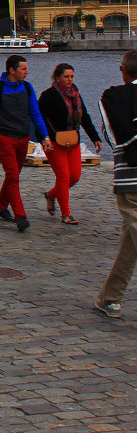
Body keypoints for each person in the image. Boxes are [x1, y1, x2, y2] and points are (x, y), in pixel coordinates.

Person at [0, 54, 51, 232]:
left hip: (23, 138)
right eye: (24, 69)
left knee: (14, 175)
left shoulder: (27, 87)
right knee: (13, 176)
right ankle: (20, 216)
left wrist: (45, 136)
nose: (27, 72)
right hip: (6, 139)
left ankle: (1, 206)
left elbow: (35, 113)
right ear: (12, 70)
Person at [92, 49, 137, 318]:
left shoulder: (114, 98)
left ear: (124, 70)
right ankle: (110, 298)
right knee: (130, 243)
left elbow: (111, 137)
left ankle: (110, 299)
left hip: (130, 178)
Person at [37, 63, 102, 225]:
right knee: (63, 176)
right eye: (66, 76)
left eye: (72, 76)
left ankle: (51, 194)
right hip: (53, 141)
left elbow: (84, 117)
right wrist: (44, 139)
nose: (70, 80)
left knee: (74, 176)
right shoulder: (48, 95)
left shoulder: (76, 95)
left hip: (72, 139)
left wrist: (95, 137)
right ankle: (66, 214)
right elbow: (38, 119)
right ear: (57, 77)